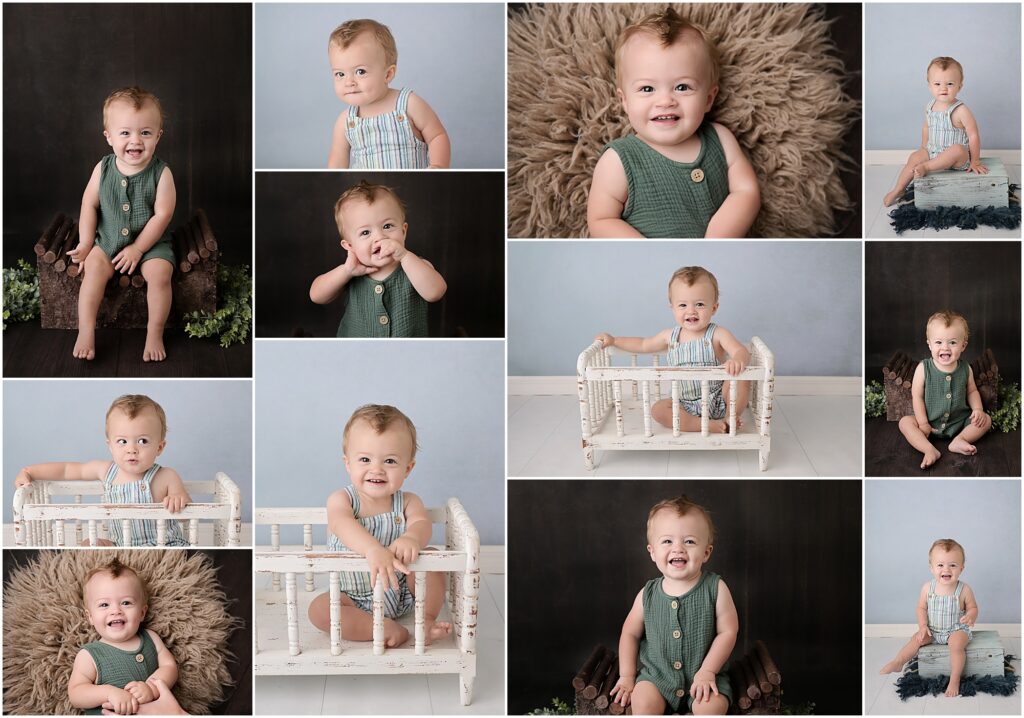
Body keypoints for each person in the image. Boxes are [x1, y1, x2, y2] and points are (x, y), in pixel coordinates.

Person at [587, 9, 759, 238]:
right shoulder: (619, 160)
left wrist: (717, 239)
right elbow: (601, 220)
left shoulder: (720, 139)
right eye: (647, 89)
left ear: (708, 99)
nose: (666, 101)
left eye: (682, 87)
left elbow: (746, 191)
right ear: (625, 101)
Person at [308, 404, 452, 647]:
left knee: (433, 561)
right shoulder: (342, 500)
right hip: (353, 598)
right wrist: (373, 549)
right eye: (364, 459)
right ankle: (380, 627)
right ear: (348, 464)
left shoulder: (408, 502)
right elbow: (341, 523)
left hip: (404, 591)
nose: (376, 469)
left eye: (390, 461)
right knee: (319, 610)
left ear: (408, 468)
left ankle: (426, 619)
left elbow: (421, 523)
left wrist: (412, 539)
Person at [68, 86, 177, 362]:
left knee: (161, 275)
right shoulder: (102, 169)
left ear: (158, 136)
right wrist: (85, 242)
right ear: (109, 137)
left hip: (151, 243)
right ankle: (85, 331)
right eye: (125, 133)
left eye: (145, 132)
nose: (135, 141)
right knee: (92, 269)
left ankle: (154, 332)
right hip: (108, 240)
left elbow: (162, 215)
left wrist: (139, 249)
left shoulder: (162, 174)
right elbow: (89, 204)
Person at [610, 496, 737, 714]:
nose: (678, 548)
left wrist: (708, 671)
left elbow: (728, 631)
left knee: (711, 707)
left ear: (706, 552)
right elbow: (629, 633)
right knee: (643, 702)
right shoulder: (647, 594)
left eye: (689, 541)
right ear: (652, 552)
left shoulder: (716, 588)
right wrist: (627, 676)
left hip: (705, 678)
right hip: (657, 678)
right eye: (667, 541)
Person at [14, 394, 191, 546]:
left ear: (160, 447)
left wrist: (178, 499)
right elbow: (67, 470)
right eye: (122, 441)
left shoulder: (167, 476)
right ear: (110, 446)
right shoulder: (106, 471)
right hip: (121, 545)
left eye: (142, 441)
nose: (132, 449)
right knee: (88, 544)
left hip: (163, 544)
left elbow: (187, 515)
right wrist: (29, 471)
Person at [596, 266, 749, 433]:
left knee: (740, 377)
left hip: (719, 399)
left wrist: (737, 360)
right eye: (682, 305)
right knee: (658, 409)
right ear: (673, 308)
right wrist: (614, 340)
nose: (691, 311)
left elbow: (740, 350)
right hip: (683, 404)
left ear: (714, 308)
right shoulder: (670, 336)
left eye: (699, 304)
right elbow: (643, 344)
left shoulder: (718, 334)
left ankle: (731, 416)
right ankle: (701, 425)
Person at [309, 181, 446, 337]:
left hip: (406, 354)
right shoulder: (350, 273)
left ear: (403, 231)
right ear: (350, 246)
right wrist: (346, 271)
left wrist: (405, 256)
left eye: (387, 226)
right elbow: (316, 296)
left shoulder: (416, 266)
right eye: (365, 233)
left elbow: (436, 292)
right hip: (357, 354)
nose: (379, 237)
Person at [327, 18, 450, 168]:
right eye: (340, 74)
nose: (349, 82)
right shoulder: (345, 121)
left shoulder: (408, 104)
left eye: (360, 71)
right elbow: (337, 162)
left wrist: (438, 166)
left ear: (388, 74)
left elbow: (437, 136)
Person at [68, 559, 179, 714]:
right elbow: (76, 693)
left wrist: (151, 688)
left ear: (142, 612)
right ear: (90, 617)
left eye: (126, 603)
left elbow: (169, 667)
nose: (116, 611)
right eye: (104, 605)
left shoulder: (151, 638)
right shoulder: (90, 654)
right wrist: (109, 693)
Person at [883, 57, 987, 206]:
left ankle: (926, 167)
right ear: (929, 86)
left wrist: (975, 160)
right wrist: (924, 147)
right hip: (934, 152)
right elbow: (926, 127)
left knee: (957, 149)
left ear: (959, 86)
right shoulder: (930, 106)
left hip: (958, 159)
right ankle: (898, 189)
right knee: (914, 157)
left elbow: (973, 135)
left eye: (950, 84)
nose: (943, 88)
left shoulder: (961, 110)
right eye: (937, 84)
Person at [880, 539, 978, 697]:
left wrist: (970, 616)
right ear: (931, 568)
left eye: (952, 565)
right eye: (940, 565)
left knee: (956, 646)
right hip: (932, 629)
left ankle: (955, 679)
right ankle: (898, 662)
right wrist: (923, 626)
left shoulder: (964, 589)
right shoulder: (927, 588)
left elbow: (973, 607)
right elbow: (921, 607)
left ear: (962, 568)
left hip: (956, 629)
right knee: (916, 639)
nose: (946, 569)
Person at [897, 311, 991, 469]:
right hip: (929, 423)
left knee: (986, 420)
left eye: (953, 342)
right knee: (905, 423)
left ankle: (960, 440)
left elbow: (972, 391)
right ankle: (929, 449)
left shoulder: (965, 368)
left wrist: (978, 409)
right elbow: (917, 396)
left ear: (963, 345)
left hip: (959, 422)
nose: (945, 348)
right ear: (929, 344)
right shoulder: (923, 368)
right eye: (938, 342)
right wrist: (923, 423)